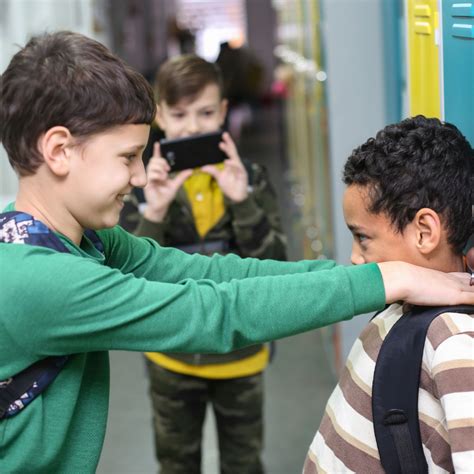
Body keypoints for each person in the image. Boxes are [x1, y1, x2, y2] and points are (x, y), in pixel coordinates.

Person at [0, 32, 473, 474]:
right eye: (127, 158)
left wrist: (371, 271)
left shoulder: (73, 237)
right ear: (59, 150)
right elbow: (212, 313)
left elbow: (211, 273)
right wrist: (390, 279)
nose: (141, 177)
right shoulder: (41, 282)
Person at [131, 54, 286, 474]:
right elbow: (130, 282)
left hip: (242, 351)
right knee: (176, 463)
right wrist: (155, 212)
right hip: (172, 356)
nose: (193, 126)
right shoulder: (140, 186)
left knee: (243, 462)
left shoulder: (249, 178)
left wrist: (242, 201)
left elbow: (275, 267)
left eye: (204, 113)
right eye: (179, 114)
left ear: (222, 112)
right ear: (159, 115)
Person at [303, 116, 474, 473]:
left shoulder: (455, 344)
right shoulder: (403, 303)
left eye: (362, 237)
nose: (354, 256)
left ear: (425, 232)